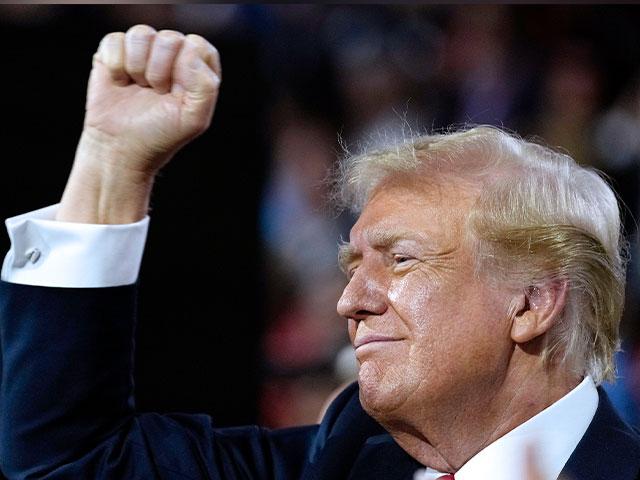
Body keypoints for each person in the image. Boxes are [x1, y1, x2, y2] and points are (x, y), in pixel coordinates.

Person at [0, 24, 639, 480]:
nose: (349, 301)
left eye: (402, 259)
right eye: (352, 265)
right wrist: (113, 166)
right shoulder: (343, 456)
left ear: (530, 300)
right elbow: (73, 461)